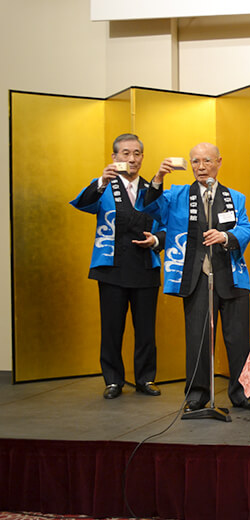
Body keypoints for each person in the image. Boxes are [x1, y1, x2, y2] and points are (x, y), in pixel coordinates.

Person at [139, 142, 250, 412]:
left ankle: (241, 393)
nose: (201, 167)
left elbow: (246, 227)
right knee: (198, 338)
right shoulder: (177, 195)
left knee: (238, 339)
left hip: (231, 275)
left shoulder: (235, 197)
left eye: (207, 161)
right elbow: (151, 207)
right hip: (196, 275)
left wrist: (225, 236)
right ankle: (197, 394)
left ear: (219, 162)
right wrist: (158, 178)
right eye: (195, 162)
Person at [70, 133, 165, 400]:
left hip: (145, 265)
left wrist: (156, 240)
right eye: (125, 153)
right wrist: (101, 180)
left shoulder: (152, 188)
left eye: (137, 153)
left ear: (142, 157)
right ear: (114, 157)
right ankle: (113, 380)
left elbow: (168, 223)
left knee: (146, 329)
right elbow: (83, 204)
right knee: (111, 327)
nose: (132, 159)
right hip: (111, 266)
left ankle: (145, 378)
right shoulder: (104, 186)